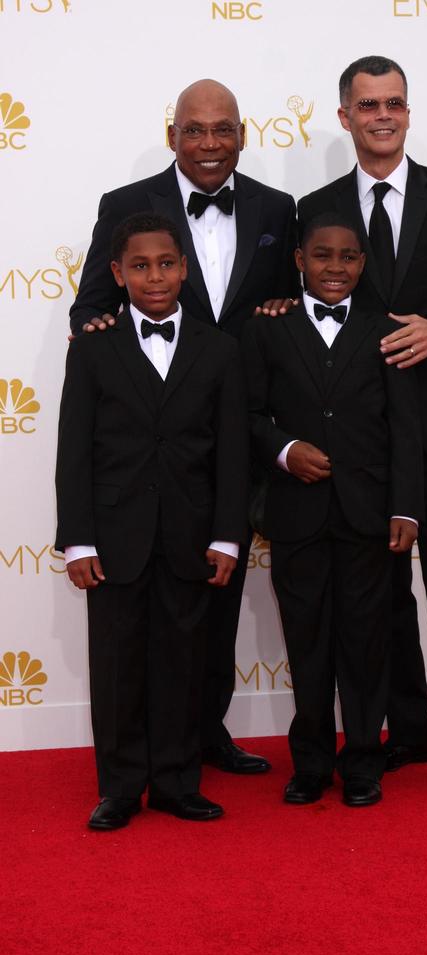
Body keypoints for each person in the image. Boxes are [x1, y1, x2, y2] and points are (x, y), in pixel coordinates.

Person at [70, 79, 300, 775]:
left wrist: (285, 309)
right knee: (137, 617)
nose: (209, 144)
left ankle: (202, 734)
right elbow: (90, 308)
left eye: (222, 129)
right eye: (194, 130)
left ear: (242, 133)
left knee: (214, 597)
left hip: (235, 436)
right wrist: (102, 326)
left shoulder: (276, 208)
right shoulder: (125, 206)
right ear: (173, 135)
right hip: (143, 442)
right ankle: (134, 756)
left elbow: (289, 301)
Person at [297, 56, 427, 799]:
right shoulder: (315, 205)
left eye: (394, 103)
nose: (381, 116)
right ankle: (410, 731)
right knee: (377, 596)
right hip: (360, 441)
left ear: (409, 113)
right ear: (345, 117)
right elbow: (298, 302)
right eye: (367, 105)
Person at [55, 213, 250, 829]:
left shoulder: (219, 351)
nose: (155, 276)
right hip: (114, 537)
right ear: (117, 274)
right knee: (116, 665)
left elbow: (232, 453)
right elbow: (74, 449)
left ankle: (175, 782)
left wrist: (226, 534)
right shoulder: (92, 348)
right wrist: (77, 540)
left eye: (166, 264)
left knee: (182, 663)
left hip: (191, 536)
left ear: (185, 268)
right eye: (139, 266)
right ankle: (119, 786)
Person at [241, 214, 423, 807]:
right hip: (296, 516)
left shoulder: (383, 330)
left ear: (363, 265)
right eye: (323, 256)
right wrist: (285, 450)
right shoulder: (269, 328)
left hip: (368, 515)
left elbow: (404, 427)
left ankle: (364, 762)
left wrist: (406, 509)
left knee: (366, 643)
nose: (336, 268)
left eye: (348, 257)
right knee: (307, 642)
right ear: (299, 260)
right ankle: (312, 764)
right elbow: (247, 415)